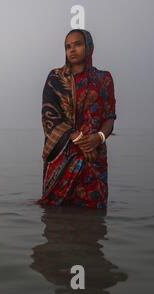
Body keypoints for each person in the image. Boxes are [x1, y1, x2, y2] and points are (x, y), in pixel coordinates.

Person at [39, 29, 116, 209]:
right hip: (63, 154)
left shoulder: (104, 78)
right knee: (55, 216)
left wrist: (98, 138)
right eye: (68, 46)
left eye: (78, 44)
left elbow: (110, 117)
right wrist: (79, 139)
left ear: (89, 47)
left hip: (94, 156)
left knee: (94, 217)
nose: (72, 50)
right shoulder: (56, 78)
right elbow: (49, 117)